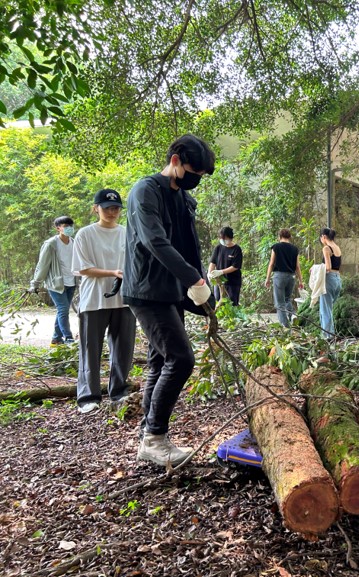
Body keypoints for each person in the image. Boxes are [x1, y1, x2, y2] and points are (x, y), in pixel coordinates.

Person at [122, 134, 216, 467]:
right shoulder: (145, 191)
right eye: (194, 172)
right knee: (181, 359)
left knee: (160, 362)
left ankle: (148, 433)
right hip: (147, 290)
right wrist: (193, 278)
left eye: (201, 177)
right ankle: (154, 439)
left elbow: (189, 246)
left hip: (171, 290)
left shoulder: (182, 199)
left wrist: (204, 290)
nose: (196, 180)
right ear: (175, 160)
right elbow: (155, 242)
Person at [72, 189, 136, 414]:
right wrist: (113, 273)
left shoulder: (127, 232)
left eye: (116, 208)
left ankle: (118, 391)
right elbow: (83, 268)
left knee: (123, 348)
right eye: (107, 208)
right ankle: (88, 396)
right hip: (94, 299)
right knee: (91, 348)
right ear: (95, 208)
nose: (112, 212)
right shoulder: (85, 234)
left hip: (124, 298)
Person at [29, 216, 78, 345]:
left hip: (71, 282)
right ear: (58, 228)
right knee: (63, 310)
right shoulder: (51, 244)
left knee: (63, 310)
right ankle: (69, 338)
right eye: (66, 226)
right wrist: (36, 283)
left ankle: (56, 338)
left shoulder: (74, 242)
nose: (69, 229)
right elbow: (43, 265)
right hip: (56, 284)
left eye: (71, 226)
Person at [265, 228, 303, 326]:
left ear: (279, 237)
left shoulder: (276, 247)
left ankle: (284, 324)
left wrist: (267, 278)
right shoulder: (295, 249)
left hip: (279, 276)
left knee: (279, 302)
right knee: (287, 299)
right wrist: (301, 281)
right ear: (289, 237)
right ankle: (292, 316)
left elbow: (271, 263)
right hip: (291, 276)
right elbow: (297, 266)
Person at [208, 226, 243, 306]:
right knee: (218, 304)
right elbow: (212, 262)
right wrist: (209, 274)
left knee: (231, 304)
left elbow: (235, 266)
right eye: (221, 238)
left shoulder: (236, 249)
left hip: (232, 282)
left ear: (230, 238)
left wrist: (221, 271)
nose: (223, 240)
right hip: (219, 281)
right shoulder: (218, 248)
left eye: (225, 238)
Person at [319, 227, 342, 339]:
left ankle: (327, 337)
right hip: (338, 279)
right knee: (329, 309)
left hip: (329, 279)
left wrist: (315, 268)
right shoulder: (337, 247)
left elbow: (328, 267)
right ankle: (330, 334)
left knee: (325, 310)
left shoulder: (326, 248)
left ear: (324, 237)